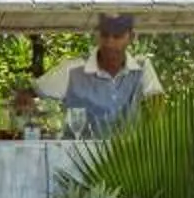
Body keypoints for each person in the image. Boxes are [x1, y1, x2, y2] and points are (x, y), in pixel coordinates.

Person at [16, 14, 162, 135]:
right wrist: (25, 99)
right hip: (78, 162)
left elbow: (159, 109)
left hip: (126, 161)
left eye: (117, 36)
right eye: (105, 35)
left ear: (131, 37)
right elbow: (30, 92)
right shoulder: (72, 69)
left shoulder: (142, 68)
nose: (110, 42)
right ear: (98, 36)